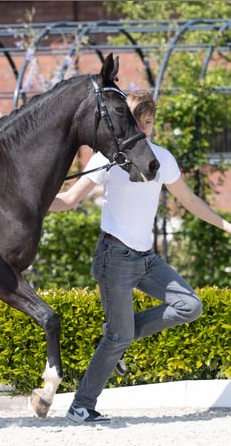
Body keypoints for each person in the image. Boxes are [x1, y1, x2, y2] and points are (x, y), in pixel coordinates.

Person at [50, 90, 231, 424]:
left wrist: (226, 225)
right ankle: (81, 406)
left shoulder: (161, 159)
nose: (146, 129)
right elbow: (70, 199)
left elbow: (190, 201)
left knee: (189, 306)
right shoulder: (106, 159)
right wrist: (33, 204)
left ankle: (119, 339)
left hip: (146, 259)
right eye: (140, 122)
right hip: (114, 257)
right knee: (117, 336)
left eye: (150, 122)